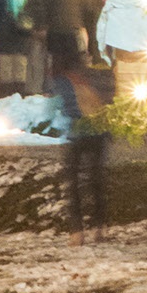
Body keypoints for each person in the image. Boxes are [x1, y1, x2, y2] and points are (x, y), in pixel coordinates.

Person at [53, 54, 113, 241]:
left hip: (82, 136)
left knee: (83, 183)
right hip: (89, 136)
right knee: (91, 182)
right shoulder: (89, 83)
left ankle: (84, 229)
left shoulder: (64, 85)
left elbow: (66, 110)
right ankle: (93, 228)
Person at [94, 0, 147, 90]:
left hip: (121, 49)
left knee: (124, 83)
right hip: (142, 49)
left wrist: (104, 52)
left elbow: (103, 26)